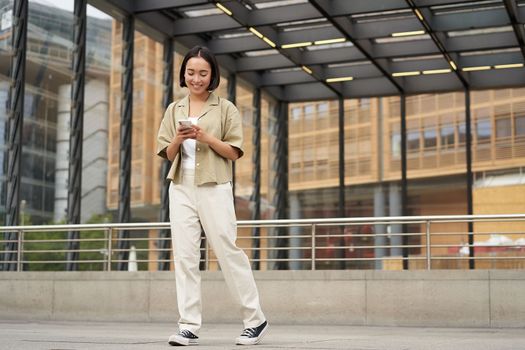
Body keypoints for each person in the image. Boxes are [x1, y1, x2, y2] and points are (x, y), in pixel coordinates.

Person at [156, 45, 268, 346]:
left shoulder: (226, 109)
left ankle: (254, 319)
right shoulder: (174, 109)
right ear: (184, 74)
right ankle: (188, 326)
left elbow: (234, 151)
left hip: (215, 186)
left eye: (203, 73)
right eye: (191, 72)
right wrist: (178, 139)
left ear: (212, 75)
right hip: (180, 186)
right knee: (185, 256)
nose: (196, 78)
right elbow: (167, 153)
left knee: (228, 251)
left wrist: (205, 137)